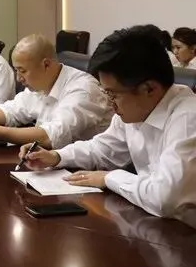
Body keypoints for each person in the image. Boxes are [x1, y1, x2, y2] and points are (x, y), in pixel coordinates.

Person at [20, 27, 196, 227]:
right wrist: (57, 156)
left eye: (113, 94)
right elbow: (102, 148)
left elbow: (164, 198)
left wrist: (109, 178)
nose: (110, 104)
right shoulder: (135, 108)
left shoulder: (188, 118)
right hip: (154, 223)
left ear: (149, 88)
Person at [0, 34, 112, 148]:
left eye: (22, 71)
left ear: (46, 65)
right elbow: (12, 110)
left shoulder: (82, 89)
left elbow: (51, 136)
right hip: (51, 159)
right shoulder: (40, 82)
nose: (19, 78)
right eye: (16, 70)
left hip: (87, 171)